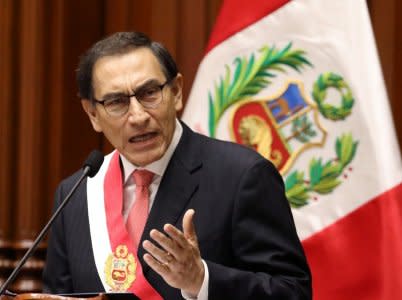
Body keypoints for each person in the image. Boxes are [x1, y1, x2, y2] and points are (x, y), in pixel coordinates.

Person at [43, 31, 312, 300]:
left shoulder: (243, 176)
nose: (137, 116)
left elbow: (293, 291)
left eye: (149, 93)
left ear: (176, 92)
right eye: (116, 102)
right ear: (93, 114)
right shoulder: (76, 196)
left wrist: (202, 280)